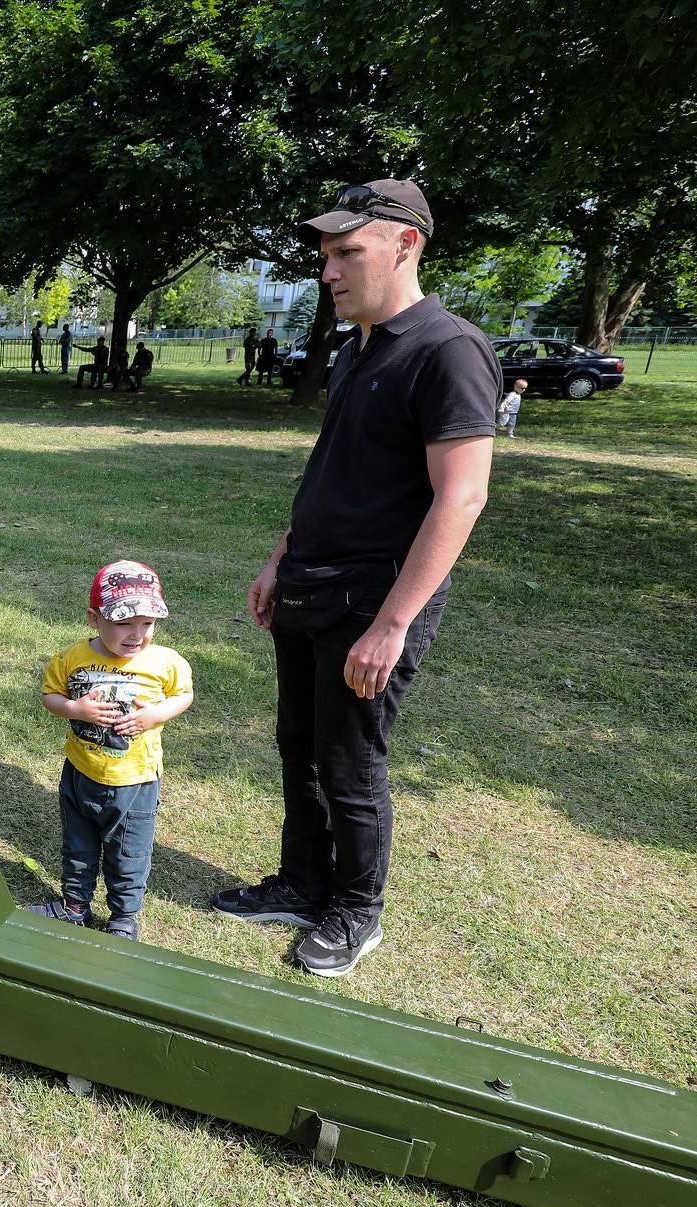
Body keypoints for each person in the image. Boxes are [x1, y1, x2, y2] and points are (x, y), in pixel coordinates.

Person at [215, 178, 496, 976]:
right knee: (298, 746)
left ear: (407, 245)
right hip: (311, 580)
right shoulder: (357, 344)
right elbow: (331, 470)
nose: (328, 273)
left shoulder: (449, 348)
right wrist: (279, 557)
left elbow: (463, 495)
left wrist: (394, 623)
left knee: (349, 763)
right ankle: (302, 883)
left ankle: (355, 912)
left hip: (374, 598)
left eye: (347, 253)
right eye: (325, 257)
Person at [31, 561, 194, 940]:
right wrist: (75, 708)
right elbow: (50, 695)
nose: (137, 634)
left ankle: (124, 919)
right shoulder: (73, 659)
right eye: (124, 623)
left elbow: (184, 695)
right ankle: (74, 907)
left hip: (135, 781)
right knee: (77, 847)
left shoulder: (165, 663)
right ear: (94, 618)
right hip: (80, 773)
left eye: (147, 624)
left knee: (128, 855)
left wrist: (154, 716)